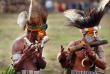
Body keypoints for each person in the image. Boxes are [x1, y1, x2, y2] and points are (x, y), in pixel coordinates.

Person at [58, 0, 109, 74]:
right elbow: (64, 65)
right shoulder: (74, 45)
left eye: (96, 32)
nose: (95, 35)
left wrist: (91, 54)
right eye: (91, 33)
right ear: (84, 34)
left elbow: (103, 66)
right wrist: (62, 58)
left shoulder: (98, 47)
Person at [12, 0, 48, 74]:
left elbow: (43, 66)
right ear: (32, 32)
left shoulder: (38, 42)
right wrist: (24, 56)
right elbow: (15, 68)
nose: (44, 35)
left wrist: (39, 57)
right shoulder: (18, 43)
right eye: (41, 32)